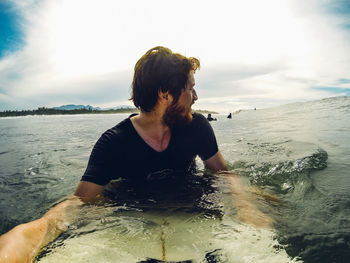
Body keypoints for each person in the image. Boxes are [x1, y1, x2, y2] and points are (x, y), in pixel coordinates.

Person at [0, 46, 273, 263]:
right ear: (166, 95)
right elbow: (78, 202)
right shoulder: (113, 142)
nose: (196, 95)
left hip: (192, 207)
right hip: (134, 217)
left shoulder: (197, 126)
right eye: (190, 87)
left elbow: (223, 173)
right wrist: (27, 236)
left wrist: (247, 205)